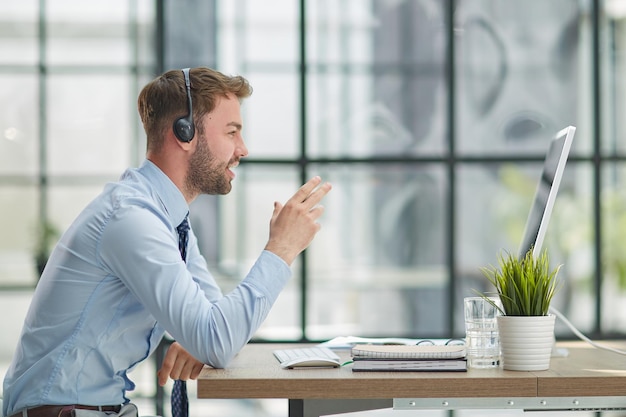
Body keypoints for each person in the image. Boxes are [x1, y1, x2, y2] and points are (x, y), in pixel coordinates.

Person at [2, 67, 332, 417]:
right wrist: (280, 249)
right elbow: (218, 340)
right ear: (184, 132)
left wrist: (203, 341)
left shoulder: (170, 221)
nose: (243, 149)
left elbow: (218, 328)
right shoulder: (132, 220)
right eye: (232, 132)